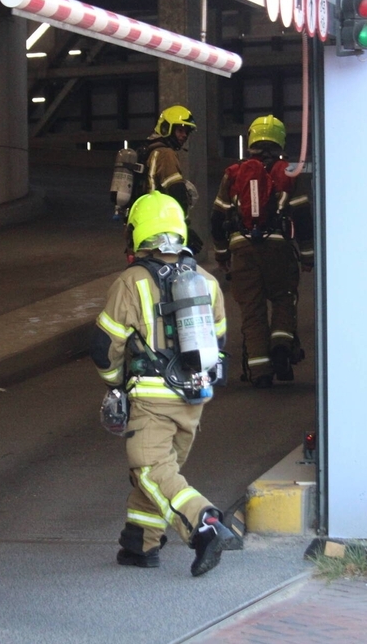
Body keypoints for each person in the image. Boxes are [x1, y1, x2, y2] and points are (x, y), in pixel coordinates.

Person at [90, 190, 237, 576]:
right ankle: (141, 544)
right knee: (159, 473)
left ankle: (205, 526)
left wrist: (113, 385)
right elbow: (219, 339)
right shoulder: (205, 280)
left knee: (150, 470)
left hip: (152, 397)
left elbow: (105, 347)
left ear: (139, 233)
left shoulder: (131, 282)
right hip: (194, 398)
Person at [210, 115, 314, 388]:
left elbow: (217, 217)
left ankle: (260, 371)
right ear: (280, 139)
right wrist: (307, 256)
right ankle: (281, 343)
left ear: (252, 139)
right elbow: (303, 214)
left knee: (252, 312)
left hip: (242, 249)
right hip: (279, 248)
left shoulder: (234, 173)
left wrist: (222, 254)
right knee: (283, 298)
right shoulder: (291, 171)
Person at [131, 104, 204, 254]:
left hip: (143, 224)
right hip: (161, 228)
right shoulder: (165, 153)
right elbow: (177, 192)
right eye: (180, 130)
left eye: (186, 132)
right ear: (166, 128)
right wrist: (184, 229)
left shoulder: (149, 150)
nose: (184, 135)